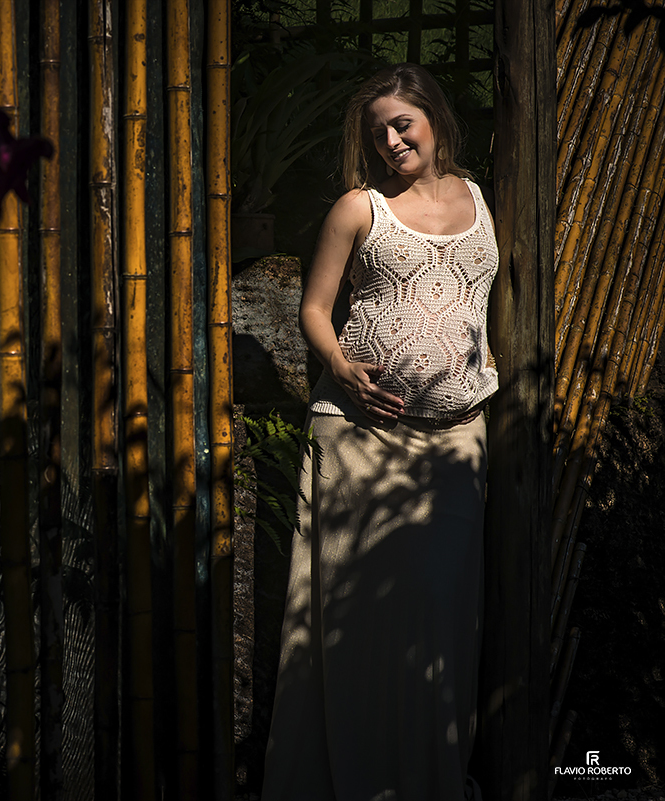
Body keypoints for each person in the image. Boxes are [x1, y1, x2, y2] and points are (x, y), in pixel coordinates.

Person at [259, 62, 496, 801]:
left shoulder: (484, 200)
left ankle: (427, 781)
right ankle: (348, 783)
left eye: (404, 123)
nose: (393, 140)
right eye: (379, 131)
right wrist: (341, 365)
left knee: (441, 613)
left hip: (457, 439)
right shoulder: (357, 209)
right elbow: (314, 309)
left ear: (435, 119)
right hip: (359, 438)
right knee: (355, 622)